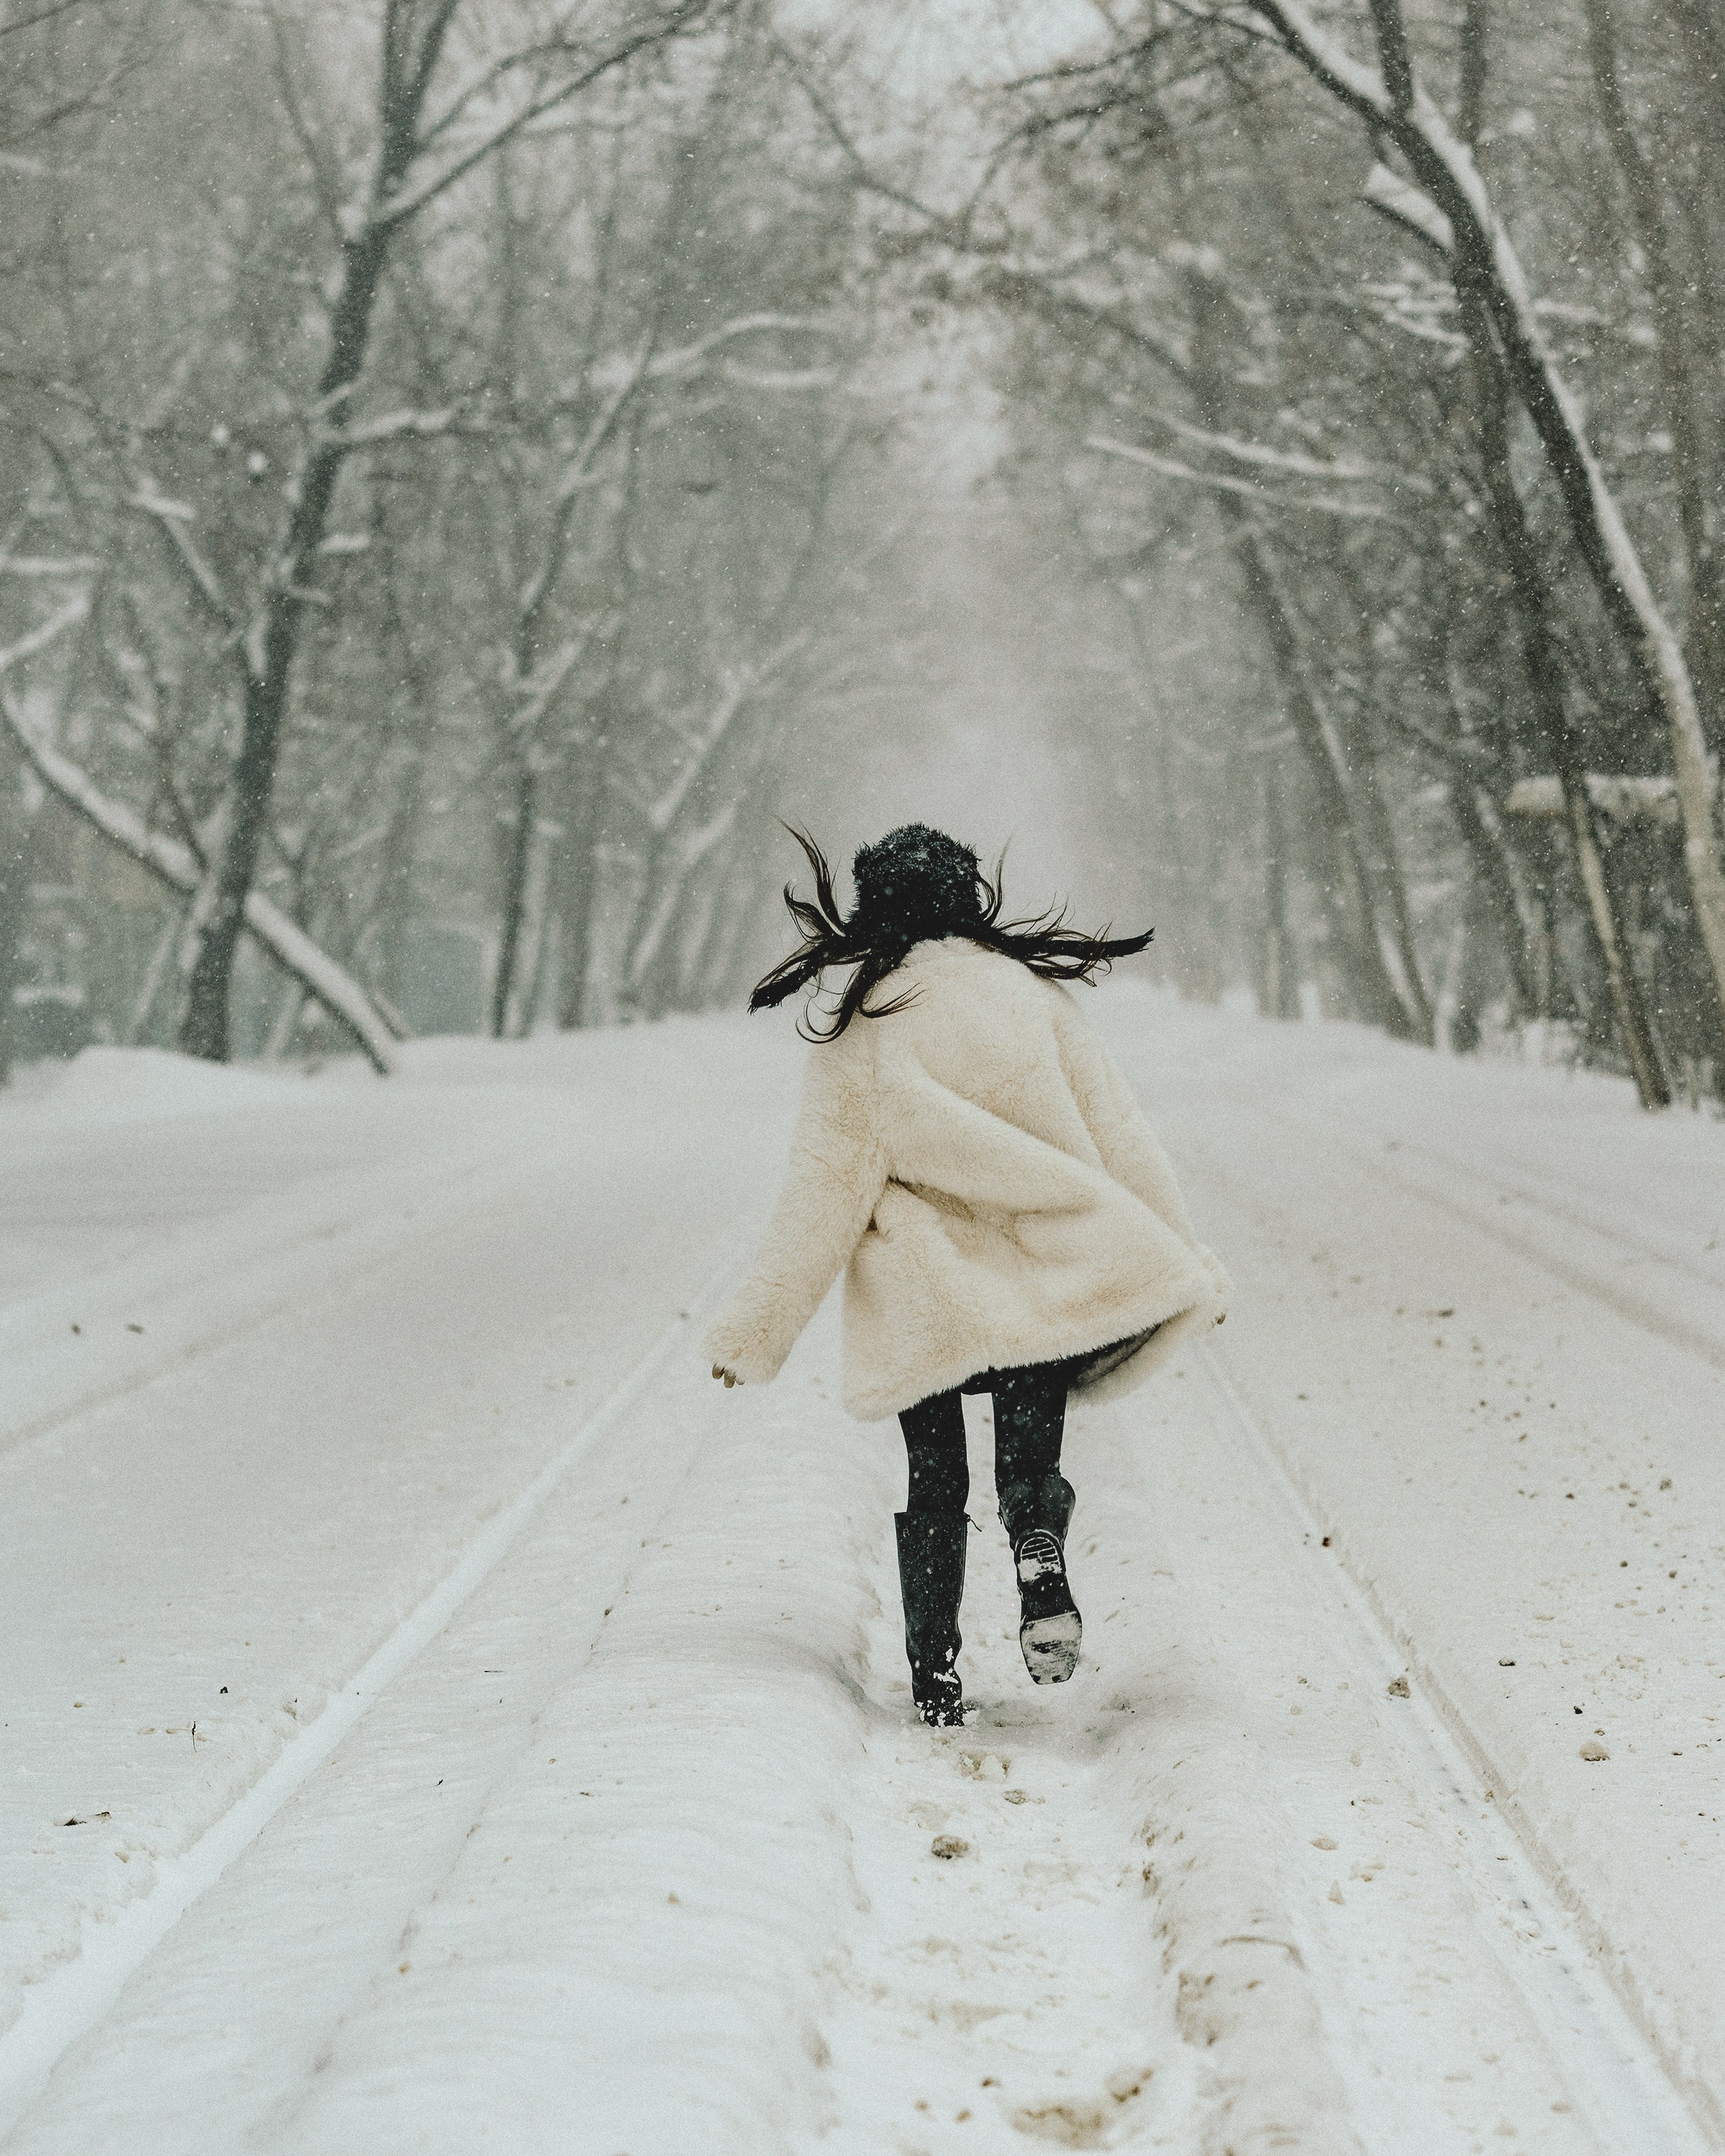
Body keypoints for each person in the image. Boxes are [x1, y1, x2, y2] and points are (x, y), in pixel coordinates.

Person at [704, 824, 1229, 1726]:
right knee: (1031, 1460)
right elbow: (1123, 1140)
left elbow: (821, 1195)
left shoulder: (866, 1024)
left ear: (875, 911)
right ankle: (1038, 1548)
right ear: (969, 898)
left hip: (930, 1298)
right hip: (1042, 1281)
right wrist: (1186, 1260)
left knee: (936, 1481)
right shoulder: (1031, 1000)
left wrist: (757, 1335)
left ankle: (935, 1676)